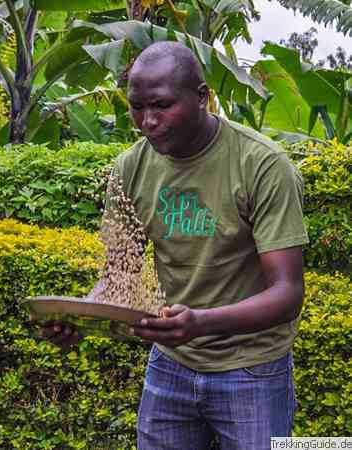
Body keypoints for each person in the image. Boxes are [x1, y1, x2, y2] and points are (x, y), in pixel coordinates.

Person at [41, 41, 309, 450]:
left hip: (252, 369)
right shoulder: (131, 167)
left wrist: (199, 323)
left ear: (202, 97)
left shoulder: (261, 165)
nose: (147, 121)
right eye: (136, 106)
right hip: (171, 366)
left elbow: (288, 294)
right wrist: (82, 318)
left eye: (161, 105)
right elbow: (119, 277)